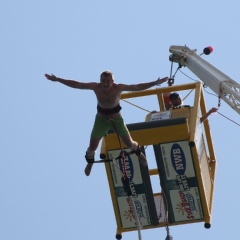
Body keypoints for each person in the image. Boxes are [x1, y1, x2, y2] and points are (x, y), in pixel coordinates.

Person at [45, 71, 168, 176]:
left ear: (112, 81)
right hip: (101, 121)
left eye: (107, 80)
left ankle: (139, 154)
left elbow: (136, 87)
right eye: (103, 80)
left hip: (117, 120)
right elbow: (77, 84)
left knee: (129, 143)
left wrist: (154, 83)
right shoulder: (95, 87)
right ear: (100, 81)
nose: (105, 82)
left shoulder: (118, 87)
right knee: (92, 147)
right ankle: (90, 162)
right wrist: (58, 79)